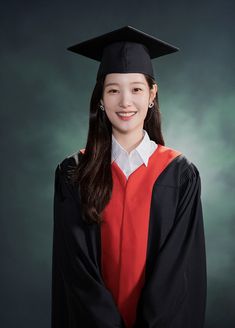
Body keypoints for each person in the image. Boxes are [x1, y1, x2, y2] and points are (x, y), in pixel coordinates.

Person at [51, 26, 207, 328]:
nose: (125, 102)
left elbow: (178, 271)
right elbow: (76, 270)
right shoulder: (73, 172)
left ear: (152, 95)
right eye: (113, 90)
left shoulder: (180, 173)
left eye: (136, 89)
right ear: (100, 99)